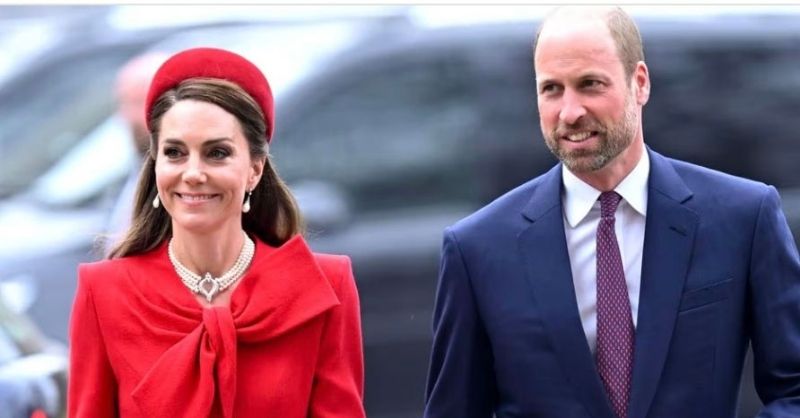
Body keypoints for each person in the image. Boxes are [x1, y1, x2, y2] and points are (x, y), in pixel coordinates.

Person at [424, 6, 800, 418]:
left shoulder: (742, 217)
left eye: (590, 84)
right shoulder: (477, 250)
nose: (570, 112)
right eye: (551, 89)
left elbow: (794, 389)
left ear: (640, 83)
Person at [68, 47, 366, 418]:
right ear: (155, 163)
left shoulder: (323, 286)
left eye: (217, 153)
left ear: (255, 168)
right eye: (175, 153)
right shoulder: (104, 292)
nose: (193, 173)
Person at [103, 52, 168, 254]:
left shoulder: (181, 180)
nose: (124, 116)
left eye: (133, 103)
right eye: (122, 103)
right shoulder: (134, 169)